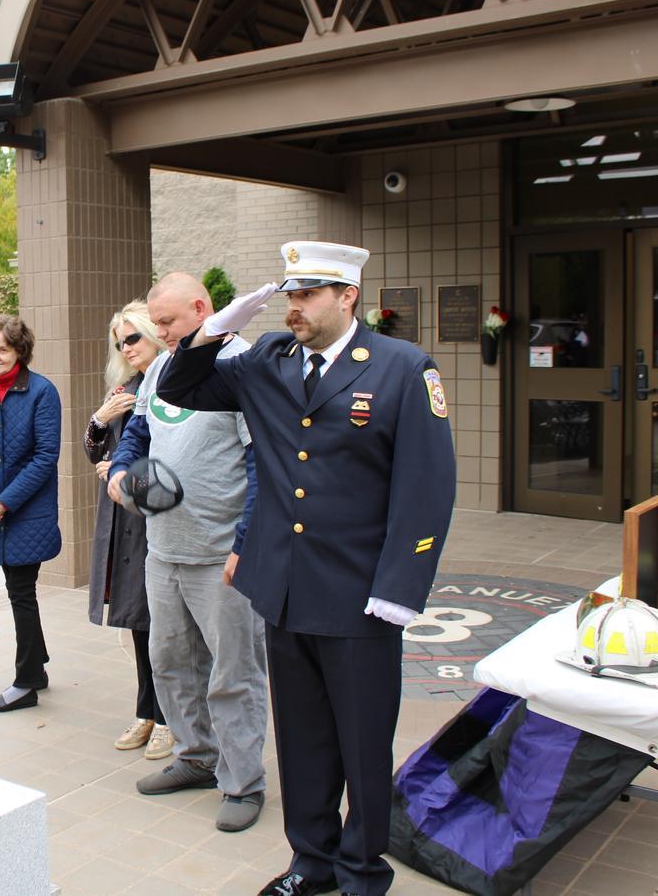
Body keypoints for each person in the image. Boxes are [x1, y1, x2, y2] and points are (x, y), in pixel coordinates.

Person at [158, 242, 457, 896]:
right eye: (290, 293)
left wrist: (402, 588)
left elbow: (427, 487)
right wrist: (216, 330)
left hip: (359, 597)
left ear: (347, 296)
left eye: (309, 294)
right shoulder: (266, 360)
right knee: (303, 743)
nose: (294, 305)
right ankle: (310, 864)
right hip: (286, 591)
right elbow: (177, 385)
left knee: (361, 749)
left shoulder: (402, 369)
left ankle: (361, 873)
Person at [106, 273, 268, 834]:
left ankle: (243, 781)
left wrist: (245, 544)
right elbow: (141, 430)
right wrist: (122, 470)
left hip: (219, 553)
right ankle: (196, 757)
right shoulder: (161, 366)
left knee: (233, 672)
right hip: (164, 548)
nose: (160, 332)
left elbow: (260, 462)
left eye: (169, 322)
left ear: (203, 307)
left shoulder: (241, 365)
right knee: (171, 662)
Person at [84, 301, 174, 760]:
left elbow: (178, 461)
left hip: (159, 522)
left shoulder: (174, 383)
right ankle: (146, 711)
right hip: (125, 522)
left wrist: (123, 472)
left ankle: (168, 718)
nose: (127, 347)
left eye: (133, 337)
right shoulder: (128, 388)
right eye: (120, 342)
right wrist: (101, 420)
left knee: (164, 627)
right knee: (139, 622)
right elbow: (96, 449)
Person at [0, 314, 61, 713]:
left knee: (21, 592)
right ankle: (36, 669)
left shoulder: (42, 391)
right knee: (19, 591)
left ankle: (26, 684)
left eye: (3, 349)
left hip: (27, 512)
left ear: (20, 351)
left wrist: (4, 502)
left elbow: (45, 457)